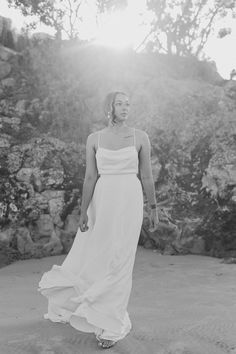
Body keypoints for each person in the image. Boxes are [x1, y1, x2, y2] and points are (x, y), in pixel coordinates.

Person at [37, 91, 159, 349]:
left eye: (128, 104)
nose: (125, 108)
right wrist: (82, 212)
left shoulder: (140, 137)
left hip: (129, 200)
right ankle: (87, 306)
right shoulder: (94, 139)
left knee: (120, 260)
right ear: (110, 107)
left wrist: (154, 208)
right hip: (101, 202)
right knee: (96, 254)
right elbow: (90, 178)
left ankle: (110, 325)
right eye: (120, 104)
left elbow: (146, 176)